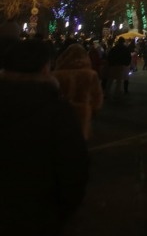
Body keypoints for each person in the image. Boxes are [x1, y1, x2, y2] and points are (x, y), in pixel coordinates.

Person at [0, 38, 89, 236]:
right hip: (38, 213)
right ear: (45, 68)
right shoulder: (59, 111)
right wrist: (61, 212)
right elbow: (73, 168)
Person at [52, 42, 104, 140]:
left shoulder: (56, 75)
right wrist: (93, 111)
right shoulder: (90, 75)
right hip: (82, 115)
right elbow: (97, 98)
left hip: (58, 114)